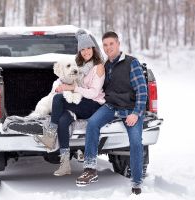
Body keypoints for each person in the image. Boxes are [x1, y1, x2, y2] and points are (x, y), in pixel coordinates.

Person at [75, 31, 148, 195]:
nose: (108, 48)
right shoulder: (105, 66)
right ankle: (90, 168)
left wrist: (136, 113)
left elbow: (142, 92)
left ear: (118, 44)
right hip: (111, 106)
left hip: (130, 109)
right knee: (92, 123)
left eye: (111, 44)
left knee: (136, 142)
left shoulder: (131, 63)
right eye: (105, 45)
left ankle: (136, 182)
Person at [35, 29, 105, 176]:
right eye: (82, 49)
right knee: (63, 119)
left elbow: (93, 93)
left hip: (93, 105)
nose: (85, 52)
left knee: (58, 98)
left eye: (88, 48)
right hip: (80, 103)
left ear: (93, 49)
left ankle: (50, 135)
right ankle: (65, 164)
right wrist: (67, 87)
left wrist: (73, 88)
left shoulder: (98, 67)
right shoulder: (79, 66)